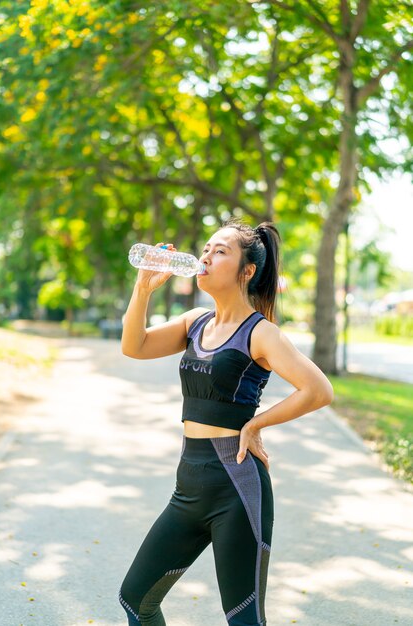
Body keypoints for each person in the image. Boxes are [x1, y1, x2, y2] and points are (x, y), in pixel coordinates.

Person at [119, 219, 334, 626]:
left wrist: (255, 426)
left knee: (243, 618)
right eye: (205, 249)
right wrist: (142, 289)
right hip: (189, 486)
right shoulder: (195, 322)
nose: (205, 257)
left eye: (220, 251)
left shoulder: (261, 333)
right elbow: (135, 346)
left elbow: (318, 390)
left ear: (246, 271)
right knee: (136, 598)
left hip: (236, 487)